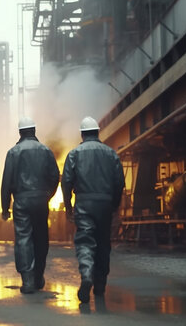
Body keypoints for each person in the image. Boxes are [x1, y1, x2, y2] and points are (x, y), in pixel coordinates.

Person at [62, 116, 125, 303]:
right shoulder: (111, 153)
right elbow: (119, 182)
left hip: (84, 204)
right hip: (105, 203)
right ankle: (100, 286)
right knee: (104, 243)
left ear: (82, 134)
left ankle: (87, 274)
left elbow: (66, 182)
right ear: (98, 132)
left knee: (85, 241)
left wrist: (68, 206)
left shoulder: (74, 154)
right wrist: (114, 204)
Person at [0, 116, 59, 293]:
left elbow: (6, 182)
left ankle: (28, 280)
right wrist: (48, 195)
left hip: (21, 201)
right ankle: (39, 275)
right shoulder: (46, 151)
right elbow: (55, 177)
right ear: (34, 130)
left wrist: (5, 207)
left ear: (20, 132)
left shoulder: (13, 152)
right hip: (41, 199)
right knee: (41, 238)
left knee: (24, 238)